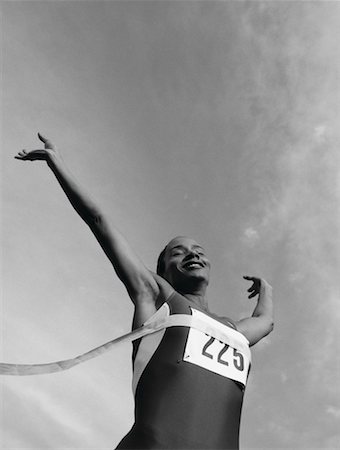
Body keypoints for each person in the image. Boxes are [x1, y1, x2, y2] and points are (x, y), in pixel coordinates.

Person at [15, 134, 274, 449]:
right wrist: (57, 163)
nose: (192, 255)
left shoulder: (234, 331)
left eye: (198, 249)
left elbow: (266, 321)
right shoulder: (155, 297)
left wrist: (266, 288)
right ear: (162, 270)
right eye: (178, 252)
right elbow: (99, 220)